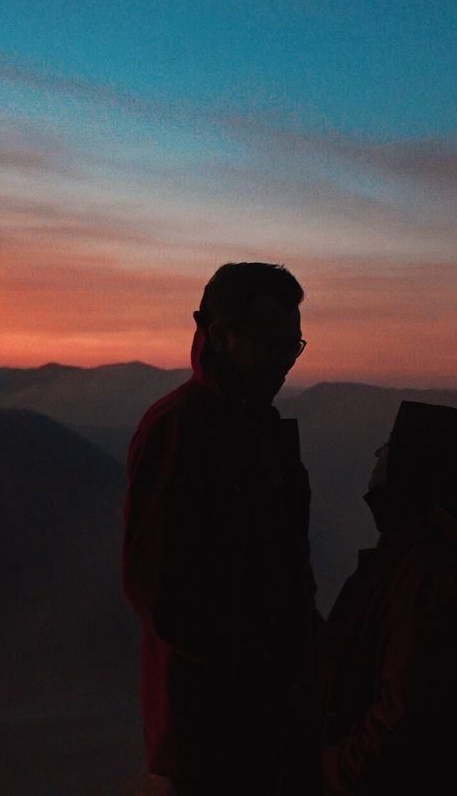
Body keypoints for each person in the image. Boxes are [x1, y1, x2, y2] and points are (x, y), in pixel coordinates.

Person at [122, 262, 319, 796]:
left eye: (293, 347)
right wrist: (255, 667)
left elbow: (285, 561)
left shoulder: (263, 430)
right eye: (271, 345)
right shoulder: (178, 429)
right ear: (220, 336)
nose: (285, 363)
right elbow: (154, 589)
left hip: (267, 720)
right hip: (210, 733)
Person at [281, 400, 457, 796]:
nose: (379, 452)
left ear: (420, 464)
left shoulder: (431, 572)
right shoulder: (426, 557)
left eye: (390, 444)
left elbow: (405, 714)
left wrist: (331, 773)